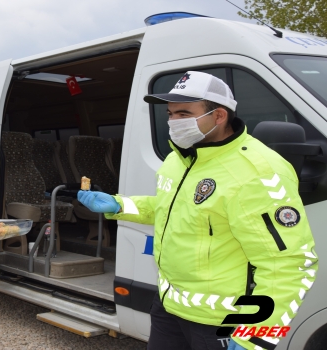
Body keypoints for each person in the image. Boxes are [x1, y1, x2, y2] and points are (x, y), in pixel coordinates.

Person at [77, 71, 318, 350]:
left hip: (223, 321)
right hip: (169, 307)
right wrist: (119, 205)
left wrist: (256, 336)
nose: (174, 122)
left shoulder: (257, 172)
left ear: (219, 116)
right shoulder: (177, 159)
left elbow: (290, 264)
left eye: (184, 113)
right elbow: (173, 209)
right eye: (170, 114)